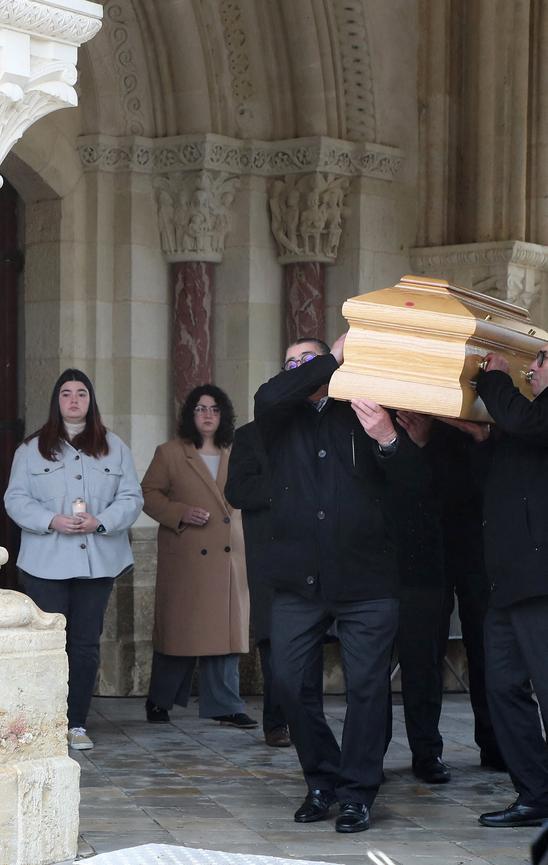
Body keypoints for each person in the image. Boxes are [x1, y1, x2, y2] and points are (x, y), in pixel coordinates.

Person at [253, 335, 427, 833]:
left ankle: (356, 793)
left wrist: (389, 438)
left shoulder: (364, 410)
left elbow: (413, 486)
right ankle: (322, 779)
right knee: (287, 681)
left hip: (367, 579)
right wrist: (332, 352)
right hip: (296, 582)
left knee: (368, 689)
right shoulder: (276, 415)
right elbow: (269, 395)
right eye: (292, 362)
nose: (300, 368)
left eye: (308, 360)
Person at [4, 369, 143, 751]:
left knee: (84, 645)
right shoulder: (30, 449)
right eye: (66, 393)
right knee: (48, 643)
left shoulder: (114, 447)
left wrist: (102, 522)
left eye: (81, 393)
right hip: (47, 562)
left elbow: (131, 498)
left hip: (97, 563)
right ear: (57, 401)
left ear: (90, 400)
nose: (74, 400)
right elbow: (15, 499)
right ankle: (42, 721)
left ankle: (76, 722)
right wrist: (52, 520)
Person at [395, 413, 505, 780]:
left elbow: (496, 481)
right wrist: (422, 444)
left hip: (478, 539)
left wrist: (481, 439)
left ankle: (495, 744)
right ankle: (425, 752)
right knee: (422, 651)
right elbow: (403, 482)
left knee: (488, 646)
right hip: (424, 541)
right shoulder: (413, 407)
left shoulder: (485, 408)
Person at [142, 385, 257, 730]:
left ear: (224, 416)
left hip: (229, 556)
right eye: (200, 408)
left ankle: (226, 704)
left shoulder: (236, 451)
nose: (207, 415)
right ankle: (159, 700)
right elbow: (148, 494)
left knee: (224, 634)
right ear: (189, 415)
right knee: (179, 631)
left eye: (215, 409)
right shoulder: (171, 453)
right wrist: (179, 512)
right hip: (188, 555)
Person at [467, 347, 548, 828]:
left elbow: (524, 425)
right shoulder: (527, 420)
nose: (532, 369)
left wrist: (495, 381)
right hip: (508, 581)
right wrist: (480, 437)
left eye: (541, 361)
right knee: (503, 688)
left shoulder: (531, 418)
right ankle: (535, 793)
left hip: (542, 583)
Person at [225, 421, 291, 747]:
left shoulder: (326, 428)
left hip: (317, 552)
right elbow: (236, 491)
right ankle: (277, 723)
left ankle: (308, 720)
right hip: (269, 557)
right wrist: (287, 485)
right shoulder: (250, 436)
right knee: (273, 641)